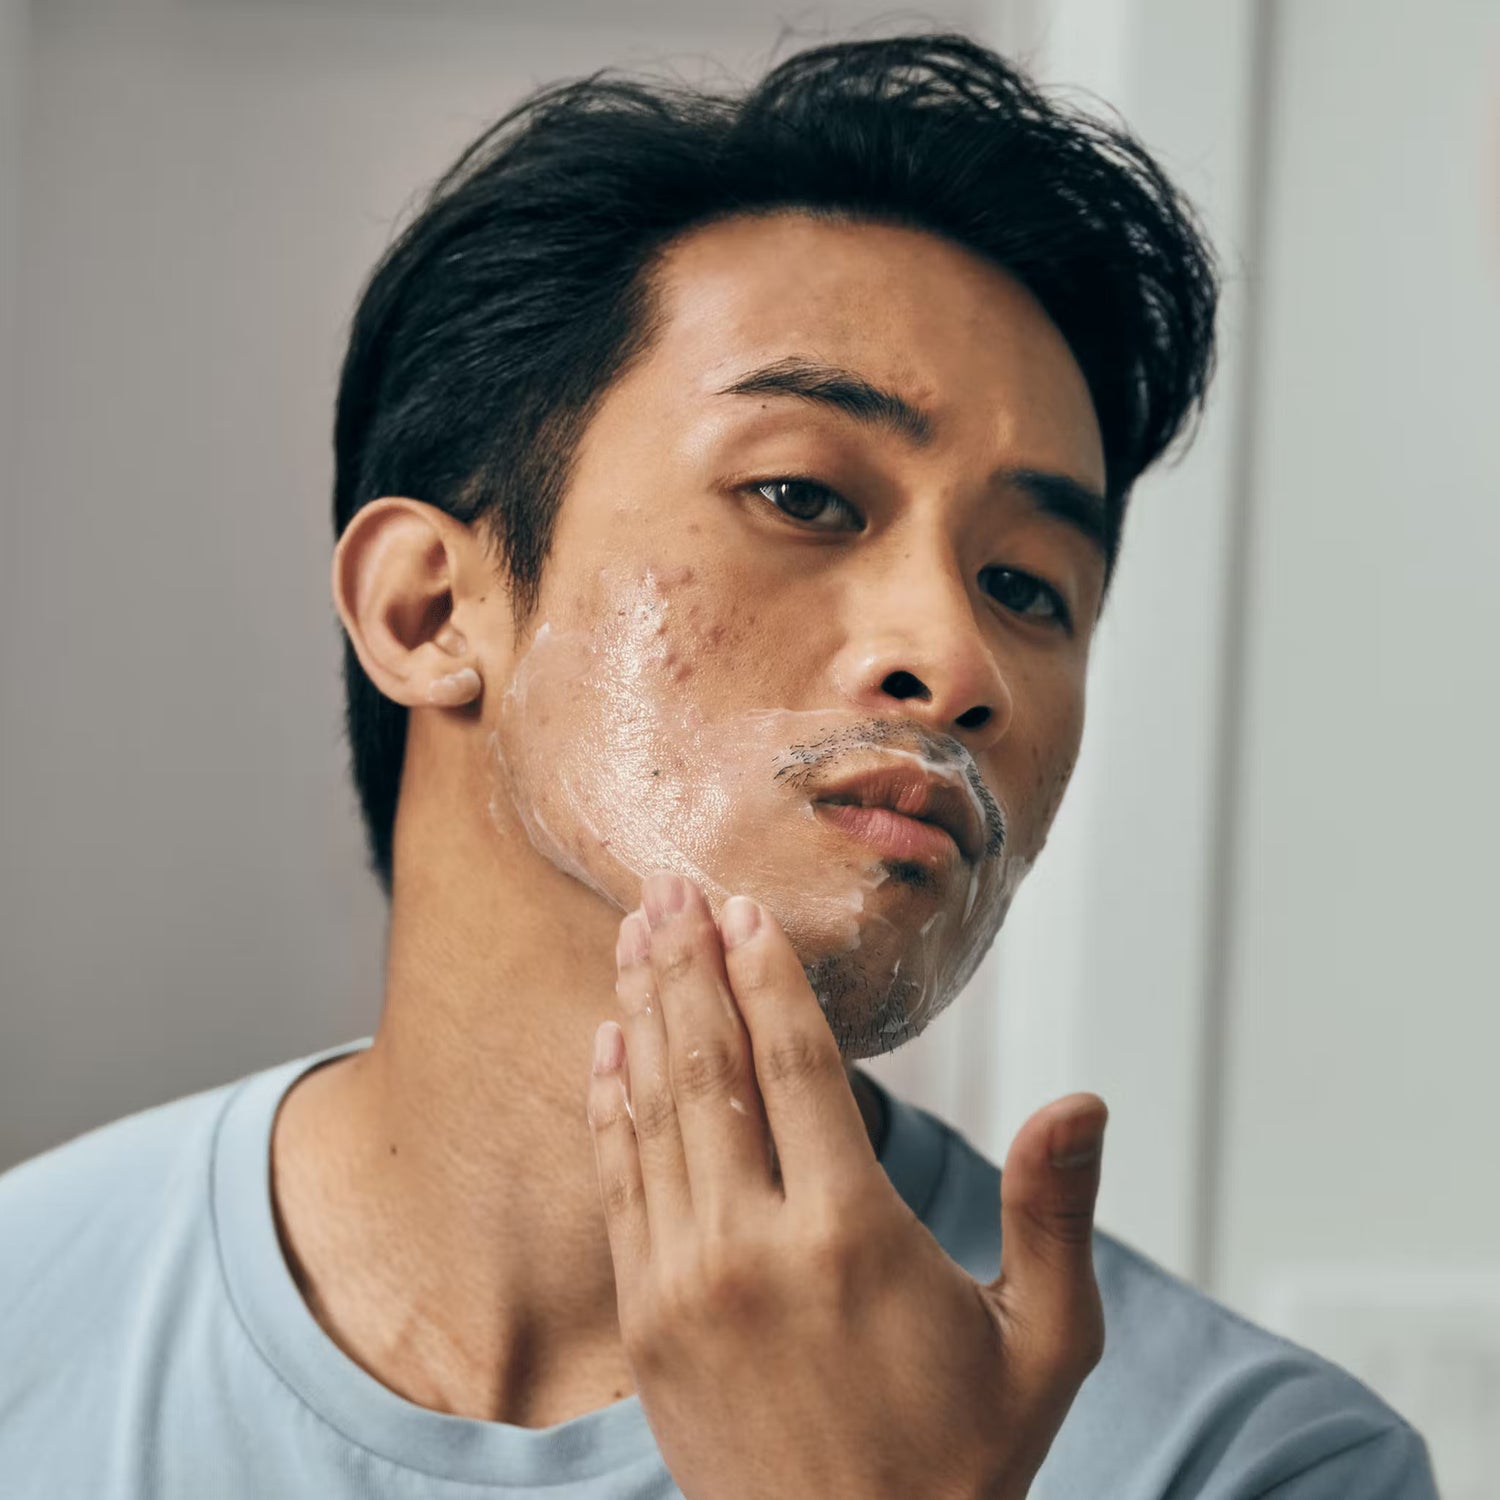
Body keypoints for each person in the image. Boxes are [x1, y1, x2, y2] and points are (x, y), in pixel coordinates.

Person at [0, 31, 1437, 1499]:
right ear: (428, 611)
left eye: (1029, 588)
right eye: (804, 494)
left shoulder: (1258, 1463)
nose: (960, 664)